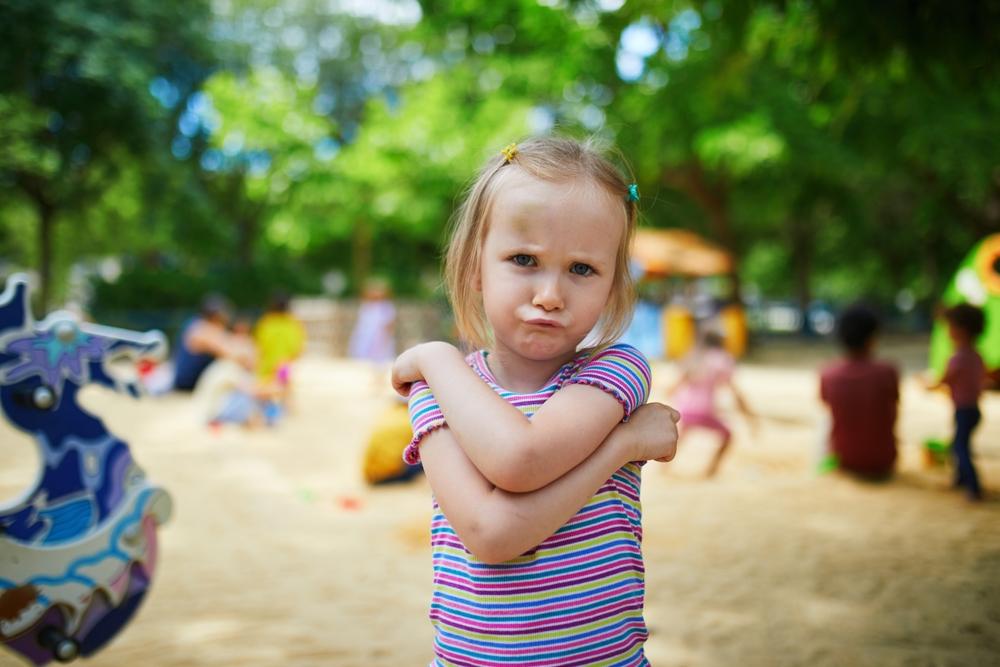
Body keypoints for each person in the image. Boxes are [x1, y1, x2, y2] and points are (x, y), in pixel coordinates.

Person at [391, 137, 680, 666]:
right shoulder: (442, 389)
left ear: (614, 287)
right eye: (524, 259)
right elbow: (491, 534)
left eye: (582, 269)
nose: (550, 294)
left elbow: (523, 459)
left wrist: (435, 359)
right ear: (475, 267)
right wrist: (624, 445)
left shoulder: (616, 370)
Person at [819, 304, 900, 478]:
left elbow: (827, 405)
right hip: (883, 460)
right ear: (873, 337)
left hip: (844, 458)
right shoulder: (888, 372)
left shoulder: (828, 373)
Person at [668, 329, 754, 477]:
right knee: (727, 435)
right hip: (705, 410)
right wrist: (749, 416)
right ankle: (711, 471)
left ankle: (665, 468)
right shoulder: (721, 360)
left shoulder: (694, 356)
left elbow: (676, 384)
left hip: (684, 409)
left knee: (680, 436)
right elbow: (735, 391)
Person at [926, 303, 987, 501]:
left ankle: (973, 486)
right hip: (973, 409)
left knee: (960, 447)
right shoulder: (977, 356)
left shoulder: (958, 358)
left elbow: (947, 379)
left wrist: (930, 386)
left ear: (961, 330)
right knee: (961, 444)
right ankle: (960, 479)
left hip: (964, 410)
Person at [172, 294, 253, 391]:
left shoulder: (196, 325)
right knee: (228, 367)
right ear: (216, 316)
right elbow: (232, 353)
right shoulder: (202, 329)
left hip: (189, 384)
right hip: (187, 386)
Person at [254, 290, 306, 409]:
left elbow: (259, 346)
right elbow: (297, 348)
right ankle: (286, 409)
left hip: (266, 366)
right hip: (284, 366)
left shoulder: (265, 323)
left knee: (266, 393)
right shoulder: (293, 324)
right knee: (284, 390)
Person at [347, 278, 396, 389]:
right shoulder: (367, 306)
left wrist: (386, 336)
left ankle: (380, 379)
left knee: (382, 358)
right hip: (370, 337)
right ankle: (376, 379)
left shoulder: (386, 307)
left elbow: (389, 323)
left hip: (381, 337)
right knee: (374, 359)